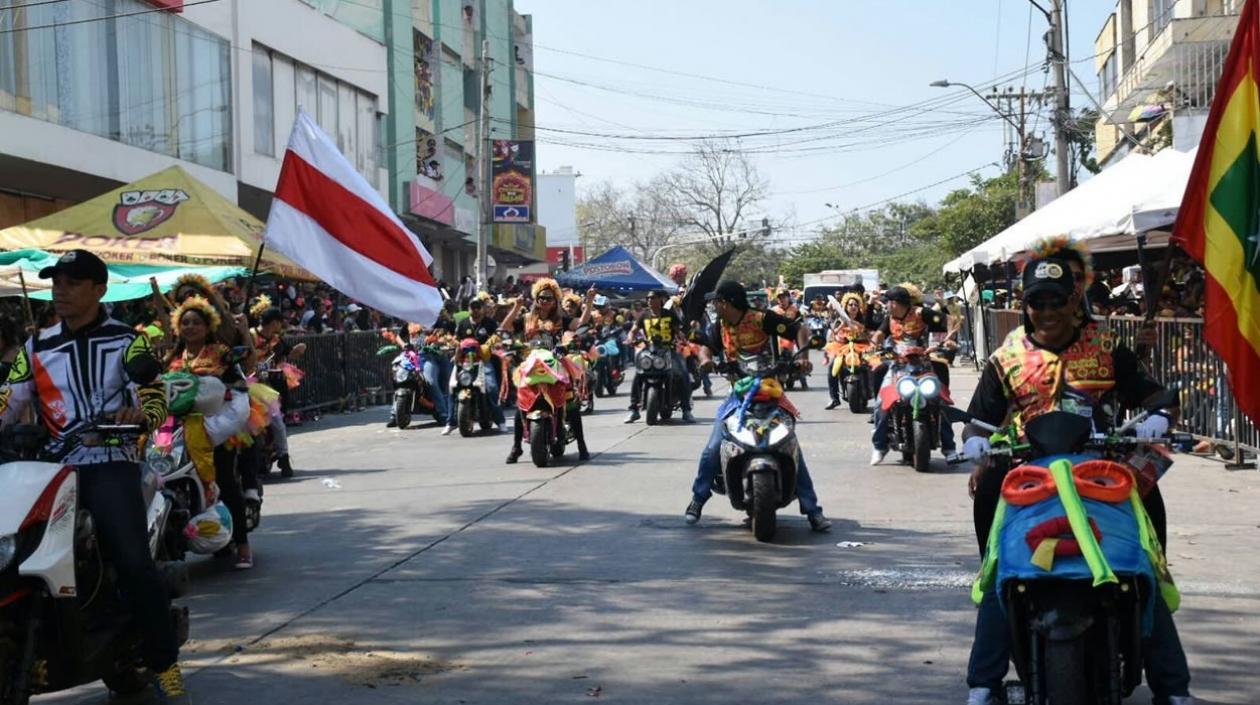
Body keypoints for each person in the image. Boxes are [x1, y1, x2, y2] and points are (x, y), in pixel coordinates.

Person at [961, 242, 1193, 705]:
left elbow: (1155, 396)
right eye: (1037, 302)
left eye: (1056, 300)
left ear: (1074, 301)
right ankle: (985, 682)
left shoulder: (1107, 347)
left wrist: (1159, 417)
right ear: (1025, 306)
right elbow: (979, 420)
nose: (1047, 311)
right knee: (998, 563)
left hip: (1103, 468)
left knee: (1145, 561)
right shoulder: (1005, 359)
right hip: (1026, 472)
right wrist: (974, 443)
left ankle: (1173, 687)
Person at [0, 250, 189, 703]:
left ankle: (165, 665)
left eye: (72, 282)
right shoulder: (35, 346)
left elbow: (154, 395)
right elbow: (7, 400)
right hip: (48, 469)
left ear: (99, 290)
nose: (59, 290)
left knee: (131, 559)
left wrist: (140, 414)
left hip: (110, 462)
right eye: (56, 282)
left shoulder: (130, 341)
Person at [686, 281, 831, 531]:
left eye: (717, 302)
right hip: (738, 398)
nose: (714, 306)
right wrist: (707, 361)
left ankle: (812, 510)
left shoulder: (762, 318)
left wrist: (803, 359)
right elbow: (705, 348)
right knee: (712, 449)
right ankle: (697, 500)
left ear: (726, 302)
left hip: (771, 393)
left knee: (790, 446)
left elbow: (800, 330)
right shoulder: (719, 326)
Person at [166, 295, 259, 571]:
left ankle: (243, 546)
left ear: (207, 327)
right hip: (173, 431)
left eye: (196, 322)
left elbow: (243, 380)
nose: (190, 327)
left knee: (225, 483)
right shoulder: (172, 358)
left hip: (215, 430)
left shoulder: (221, 353)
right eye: (185, 323)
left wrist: (244, 333)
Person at [501, 279, 596, 464]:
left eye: (549, 298)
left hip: (556, 363)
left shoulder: (561, 319)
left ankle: (582, 446)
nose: (545, 301)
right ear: (536, 298)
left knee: (570, 404)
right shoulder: (527, 319)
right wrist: (516, 306)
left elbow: (582, 322)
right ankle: (516, 448)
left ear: (555, 300)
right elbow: (506, 327)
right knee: (522, 403)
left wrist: (589, 301)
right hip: (530, 365)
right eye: (541, 297)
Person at [868, 284, 956, 465]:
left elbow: (950, 321)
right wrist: (874, 344)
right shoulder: (890, 318)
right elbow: (879, 334)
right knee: (880, 405)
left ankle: (950, 448)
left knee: (941, 402)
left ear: (899, 303)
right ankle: (879, 446)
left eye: (890, 302)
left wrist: (948, 340)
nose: (887, 306)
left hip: (923, 366)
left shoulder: (921, 313)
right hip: (897, 368)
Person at [625, 288, 695, 424]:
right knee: (638, 375)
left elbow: (678, 331)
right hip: (650, 350)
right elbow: (633, 331)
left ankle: (686, 410)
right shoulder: (643, 315)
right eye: (648, 298)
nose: (650, 300)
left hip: (670, 350)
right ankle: (634, 410)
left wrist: (683, 339)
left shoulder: (669, 314)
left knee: (682, 373)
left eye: (653, 298)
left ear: (660, 300)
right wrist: (630, 339)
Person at [251, 305, 305, 477]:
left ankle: (283, 457)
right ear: (274, 323)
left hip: (269, 387)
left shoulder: (276, 339)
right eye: (280, 323)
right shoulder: (250, 336)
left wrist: (298, 350)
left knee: (277, 421)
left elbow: (290, 354)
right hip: (248, 384)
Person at [452, 294, 500, 434]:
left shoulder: (489, 323)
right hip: (465, 361)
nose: (476, 310)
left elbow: (497, 338)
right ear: (469, 309)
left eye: (478, 307)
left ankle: (499, 420)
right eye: (473, 307)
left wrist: (490, 346)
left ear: (483, 309)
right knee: (452, 386)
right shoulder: (463, 323)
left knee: (491, 387)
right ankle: (450, 421)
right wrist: (456, 344)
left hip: (484, 360)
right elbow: (455, 339)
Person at [825, 291, 872, 410]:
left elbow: (866, 333)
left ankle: (870, 393)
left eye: (856, 305)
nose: (853, 307)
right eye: (850, 305)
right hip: (842, 348)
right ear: (845, 306)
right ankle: (834, 398)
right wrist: (843, 323)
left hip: (861, 347)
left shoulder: (863, 319)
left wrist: (852, 323)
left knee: (871, 365)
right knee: (832, 366)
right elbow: (834, 334)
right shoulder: (839, 320)